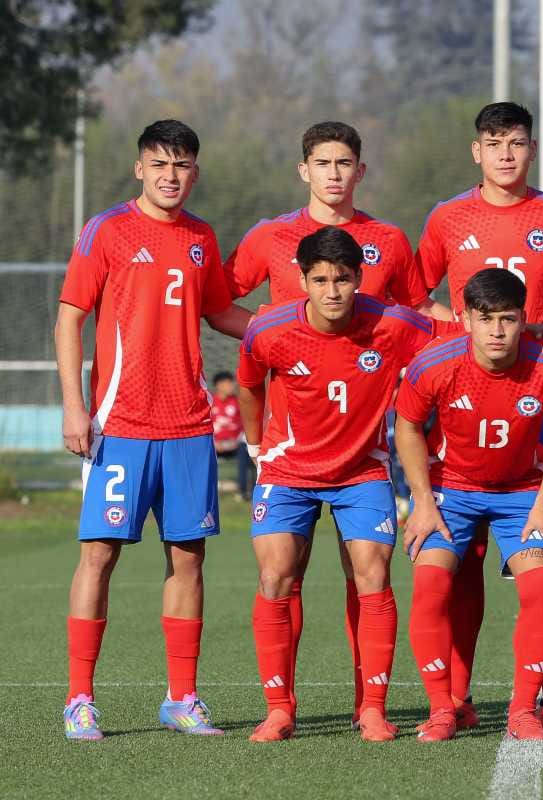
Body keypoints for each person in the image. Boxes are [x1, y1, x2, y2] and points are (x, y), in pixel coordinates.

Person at [223, 121, 445, 729]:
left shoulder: (393, 309)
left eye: (342, 278)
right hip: (287, 468)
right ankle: (279, 710)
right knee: (275, 576)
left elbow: (445, 334)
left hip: (362, 469)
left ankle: (371, 708)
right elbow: (244, 375)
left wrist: (525, 332)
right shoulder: (268, 326)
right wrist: (256, 441)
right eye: (324, 162)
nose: (332, 288)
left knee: (372, 574)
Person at [54, 119, 250, 740]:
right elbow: (69, 320)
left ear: (196, 171)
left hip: (189, 426)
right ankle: (79, 699)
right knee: (99, 557)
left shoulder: (200, 236)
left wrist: (294, 325)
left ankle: (182, 697)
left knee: (188, 559)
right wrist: (73, 406)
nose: (172, 176)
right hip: (120, 424)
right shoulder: (107, 229)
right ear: (140, 168)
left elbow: (221, 313)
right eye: (160, 164)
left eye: (183, 164)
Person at [414, 101, 543, 727]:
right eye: (493, 143)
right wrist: (461, 331)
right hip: (464, 394)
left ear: (531, 149)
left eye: (516, 143)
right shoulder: (447, 216)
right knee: (455, 571)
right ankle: (456, 698)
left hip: (535, 398)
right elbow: (417, 293)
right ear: (477, 151)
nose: (505, 154)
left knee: (539, 569)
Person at [395, 268, 543, 742]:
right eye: (485, 319)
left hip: (522, 493)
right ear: (464, 319)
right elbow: (408, 426)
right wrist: (421, 502)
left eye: (508, 319)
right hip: (450, 492)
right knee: (430, 583)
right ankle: (443, 709)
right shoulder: (433, 364)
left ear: (525, 319)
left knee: (540, 587)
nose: (497, 331)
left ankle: (522, 709)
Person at [210, 371, 253, 500]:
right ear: (219, 385)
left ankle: (243, 491)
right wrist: (214, 442)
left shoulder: (238, 402)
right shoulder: (210, 402)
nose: (232, 386)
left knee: (245, 450)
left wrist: (236, 440)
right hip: (215, 445)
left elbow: (245, 425)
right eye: (228, 383)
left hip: (235, 444)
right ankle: (205, 490)